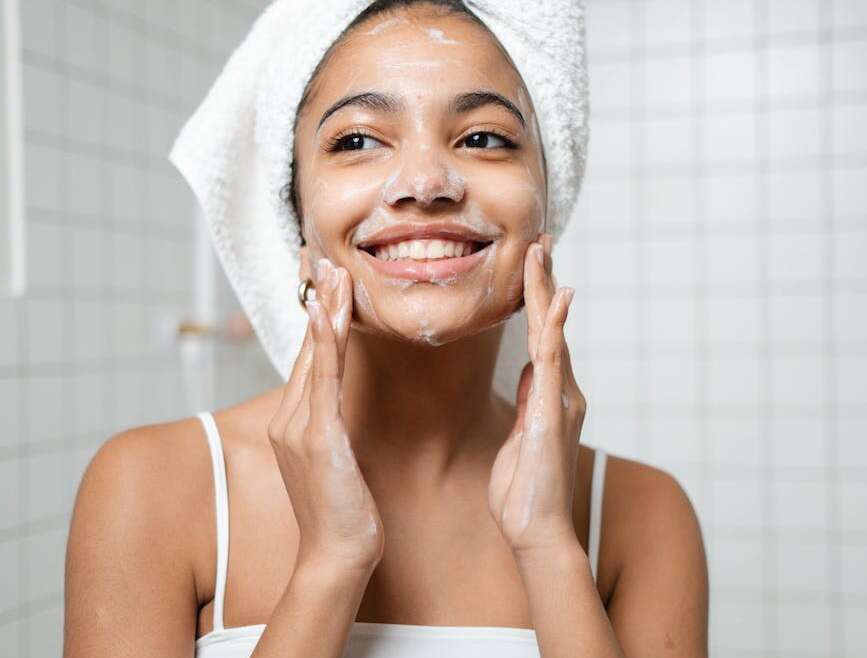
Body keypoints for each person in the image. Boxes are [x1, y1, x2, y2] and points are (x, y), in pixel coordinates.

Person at [63, 1, 708, 657]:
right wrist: (329, 565)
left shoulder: (644, 517)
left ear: (547, 200)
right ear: (296, 223)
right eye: (357, 140)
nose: (425, 182)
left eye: (483, 137)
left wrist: (547, 544)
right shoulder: (152, 486)